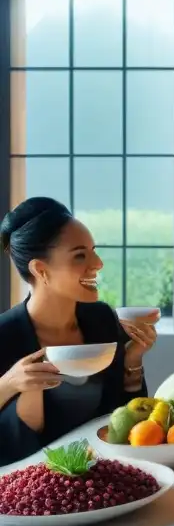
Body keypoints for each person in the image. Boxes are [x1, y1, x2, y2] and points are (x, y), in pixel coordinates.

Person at [0, 198, 157, 466]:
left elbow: (126, 416)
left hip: (105, 468)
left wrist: (132, 361)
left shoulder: (102, 318)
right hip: (30, 480)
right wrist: (8, 384)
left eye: (94, 251)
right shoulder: (5, 334)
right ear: (40, 269)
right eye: (80, 255)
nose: (97, 263)